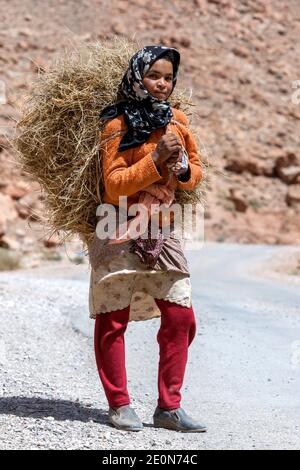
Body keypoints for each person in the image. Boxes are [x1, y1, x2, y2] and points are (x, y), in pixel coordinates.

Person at [88, 45, 207, 433]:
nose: (161, 84)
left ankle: (169, 407)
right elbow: (113, 187)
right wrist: (155, 160)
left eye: (168, 77)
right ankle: (119, 403)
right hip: (116, 226)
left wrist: (184, 167)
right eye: (154, 75)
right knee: (113, 316)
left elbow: (196, 171)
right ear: (138, 76)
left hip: (162, 226)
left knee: (180, 315)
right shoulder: (116, 125)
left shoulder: (179, 121)